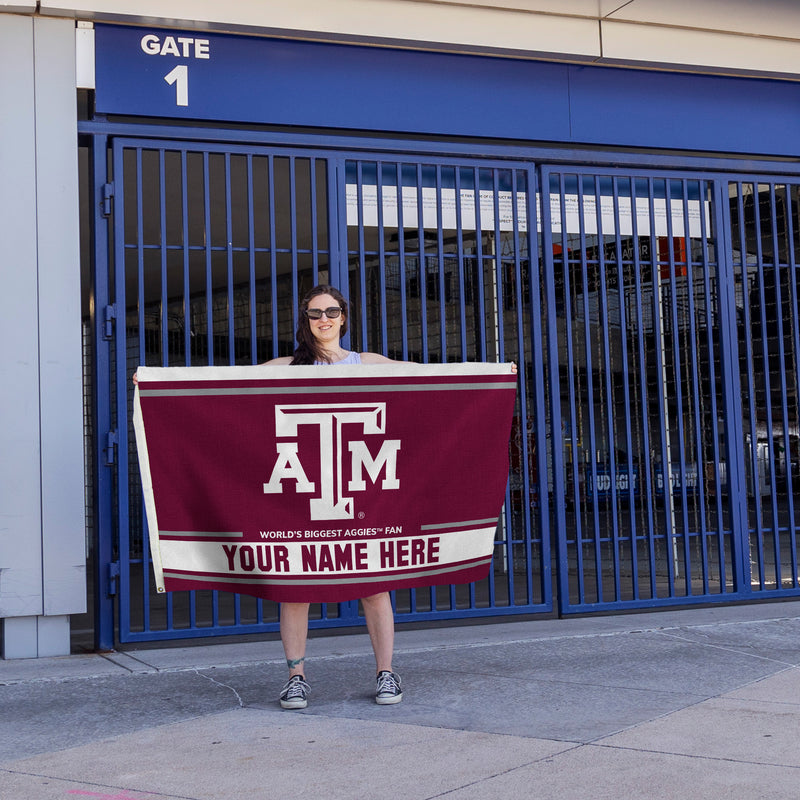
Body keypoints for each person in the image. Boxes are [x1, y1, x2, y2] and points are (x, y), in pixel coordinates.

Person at [265, 284, 402, 710]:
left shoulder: (369, 363)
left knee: (374, 584)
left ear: (344, 316)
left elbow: (433, 379)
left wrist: (493, 375)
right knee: (295, 585)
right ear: (304, 321)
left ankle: (387, 674)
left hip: (359, 485)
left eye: (331, 311)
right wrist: (160, 382)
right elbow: (222, 384)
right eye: (314, 313)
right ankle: (296, 678)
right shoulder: (288, 366)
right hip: (305, 487)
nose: (323, 319)